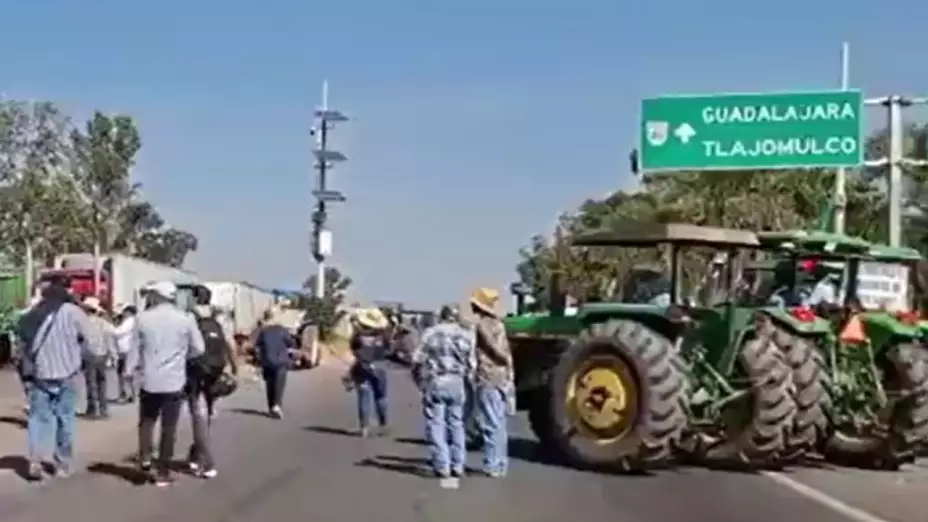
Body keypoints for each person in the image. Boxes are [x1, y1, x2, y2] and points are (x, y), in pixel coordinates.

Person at [15, 278, 90, 480]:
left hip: (40, 374)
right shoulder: (74, 313)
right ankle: (62, 464)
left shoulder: (33, 314)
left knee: (38, 419)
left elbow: (21, 336)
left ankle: (35, 460)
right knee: (65, 418)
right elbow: (90, 340)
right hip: (68, 373)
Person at [134, 281, 205, 486]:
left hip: (149, 379)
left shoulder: (142, 318)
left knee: (147, 422)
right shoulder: (185, 319)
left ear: (157, 296)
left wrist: (129, 371)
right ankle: (163, 471)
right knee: (169, 426)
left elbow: (134, 349)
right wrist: (182, 355)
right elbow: (198, 349)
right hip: (174, 380)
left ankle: (145, 457)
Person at [412, 304, 475, 486]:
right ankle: (458, 465)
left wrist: (419, 380)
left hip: (437, 381)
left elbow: (417, 359)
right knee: (457, 423)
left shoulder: (431, 333)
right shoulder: (466, 335)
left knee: (436, 424)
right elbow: (472, 365)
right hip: (457, 382)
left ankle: (442, 465)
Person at [185, 287, 237, 478]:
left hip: (196, 373)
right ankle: (196, 454)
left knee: (198, 416)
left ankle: (207, 462)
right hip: (215, 371)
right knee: (205, 416)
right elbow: (230, 344)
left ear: (194, 299)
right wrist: (234, 368)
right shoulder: (218, 319)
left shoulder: (191, 318)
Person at [470, 287, 514, 478]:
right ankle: (501, 463)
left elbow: (493, 348)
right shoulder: (500, 324)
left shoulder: (482, 325)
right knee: (500, 423)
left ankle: (492, 464)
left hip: (488, 376)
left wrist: (502, 358)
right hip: (502, 377)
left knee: (490, 423)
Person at [348, 308, 391, 437]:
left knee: (363, 397)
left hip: (363, 367)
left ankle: (364, 427)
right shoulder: (384, 336)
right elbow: (389, 350)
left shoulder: (358, 336)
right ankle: (383, 425)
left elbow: (353, 348)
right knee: (381, 396)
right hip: (380, 367)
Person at [80, 297, 117, 419]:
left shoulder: (83, 322)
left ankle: (92, 409)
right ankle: (103, 409)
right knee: (102, 382)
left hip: (88, 355)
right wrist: (113, 356)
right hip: (102, 355)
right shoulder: (104, 323)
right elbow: (110, 338)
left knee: (91, 383)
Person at [254, 308, 294, 419]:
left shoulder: (263, 331)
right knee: (279, 383)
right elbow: (290, 342)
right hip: (280, 361)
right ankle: (276, 405)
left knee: (270, 384)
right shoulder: (281, 330)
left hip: (266, 361)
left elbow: (257, 345)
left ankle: (271, 406)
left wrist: (259, 360)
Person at [113, 304, 139, 403]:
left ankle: (125, 394)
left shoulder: (130, 321)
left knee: (124, 374)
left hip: (126, 350)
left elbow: (118, 332)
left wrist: (109, 327)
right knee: (126, 374)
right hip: (124, 350)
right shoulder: (130, 321)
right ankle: (130, 394)